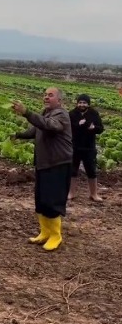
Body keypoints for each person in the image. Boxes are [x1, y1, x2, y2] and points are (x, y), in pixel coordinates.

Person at [12, 87, 72, 251]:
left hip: (57, 164)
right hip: (44, 163)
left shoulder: (61, 115)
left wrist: (27, 113)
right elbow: (36, 130)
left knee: (52, 201)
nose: (46, 97)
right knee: (41, 200)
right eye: (45, 95)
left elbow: (49, 126)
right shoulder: (46, 113)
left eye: (50, 95)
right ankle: (45, 232)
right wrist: (19, 135)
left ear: (59, 100)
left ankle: (55, 235)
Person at [68, 94, 104, 202]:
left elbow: (100, 129)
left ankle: (94, 194)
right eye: (80, 102)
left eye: (84, 102)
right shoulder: (72, 114)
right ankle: (71, 193)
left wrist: (94, 128)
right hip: (75, 146)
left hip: (89, 147)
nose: (82, 104)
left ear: (88, 104)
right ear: (77, 103)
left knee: (91, 170)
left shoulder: (94, 113)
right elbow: (68, 128)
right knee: (72, 171)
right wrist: (78, 124)